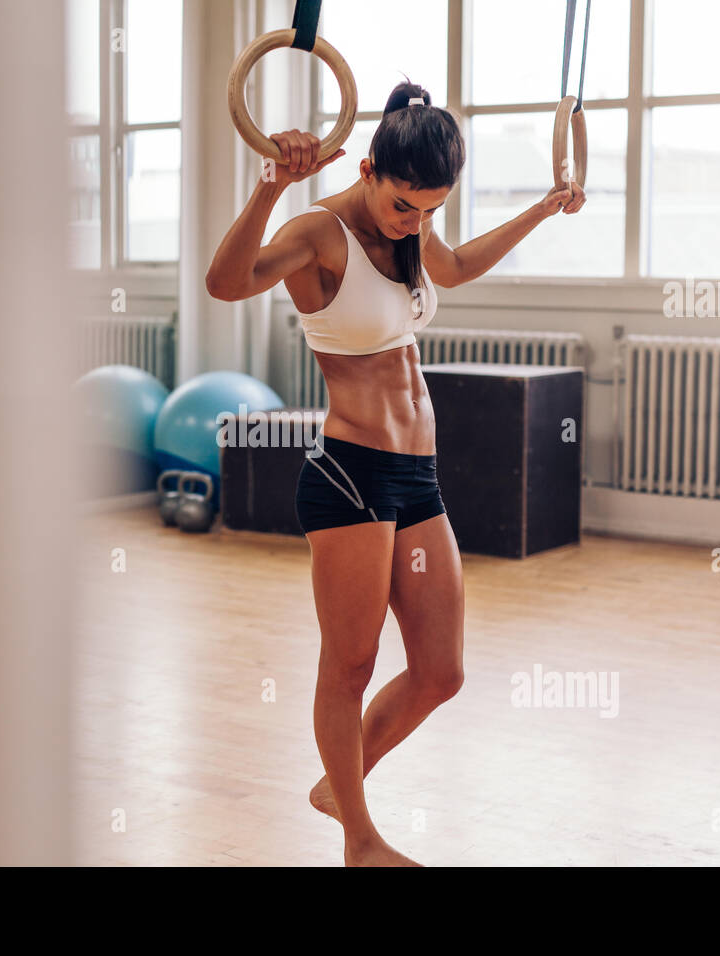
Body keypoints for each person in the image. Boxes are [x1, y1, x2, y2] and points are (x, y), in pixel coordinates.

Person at [206, 80, 586, 866]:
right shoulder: (318, 233)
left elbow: (454, 270)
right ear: (372, 167)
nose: (416, 224)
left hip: (417, 479)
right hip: (350, 475)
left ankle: (337, 785)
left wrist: (544, 207)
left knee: (440, 672)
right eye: (406, 205)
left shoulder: (412, 230)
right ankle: (361, 838)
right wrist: (270, 187)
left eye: (431, 210)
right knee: (349, 665)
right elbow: (226, 283)